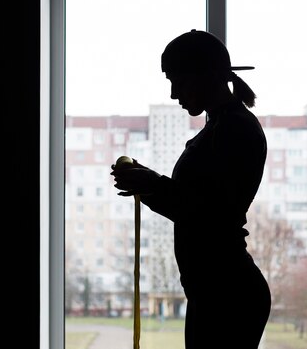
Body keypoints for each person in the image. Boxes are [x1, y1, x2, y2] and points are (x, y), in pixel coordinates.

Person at [111, 29, 271, 349]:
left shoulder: (234, 128)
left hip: (227, 296)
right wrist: (149, 184)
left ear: (206, 75)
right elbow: (196, 206)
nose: (173, 93)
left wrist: (152, 185)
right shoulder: (221, 126)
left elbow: (212, 215)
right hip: (216, 292)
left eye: (178, 80)